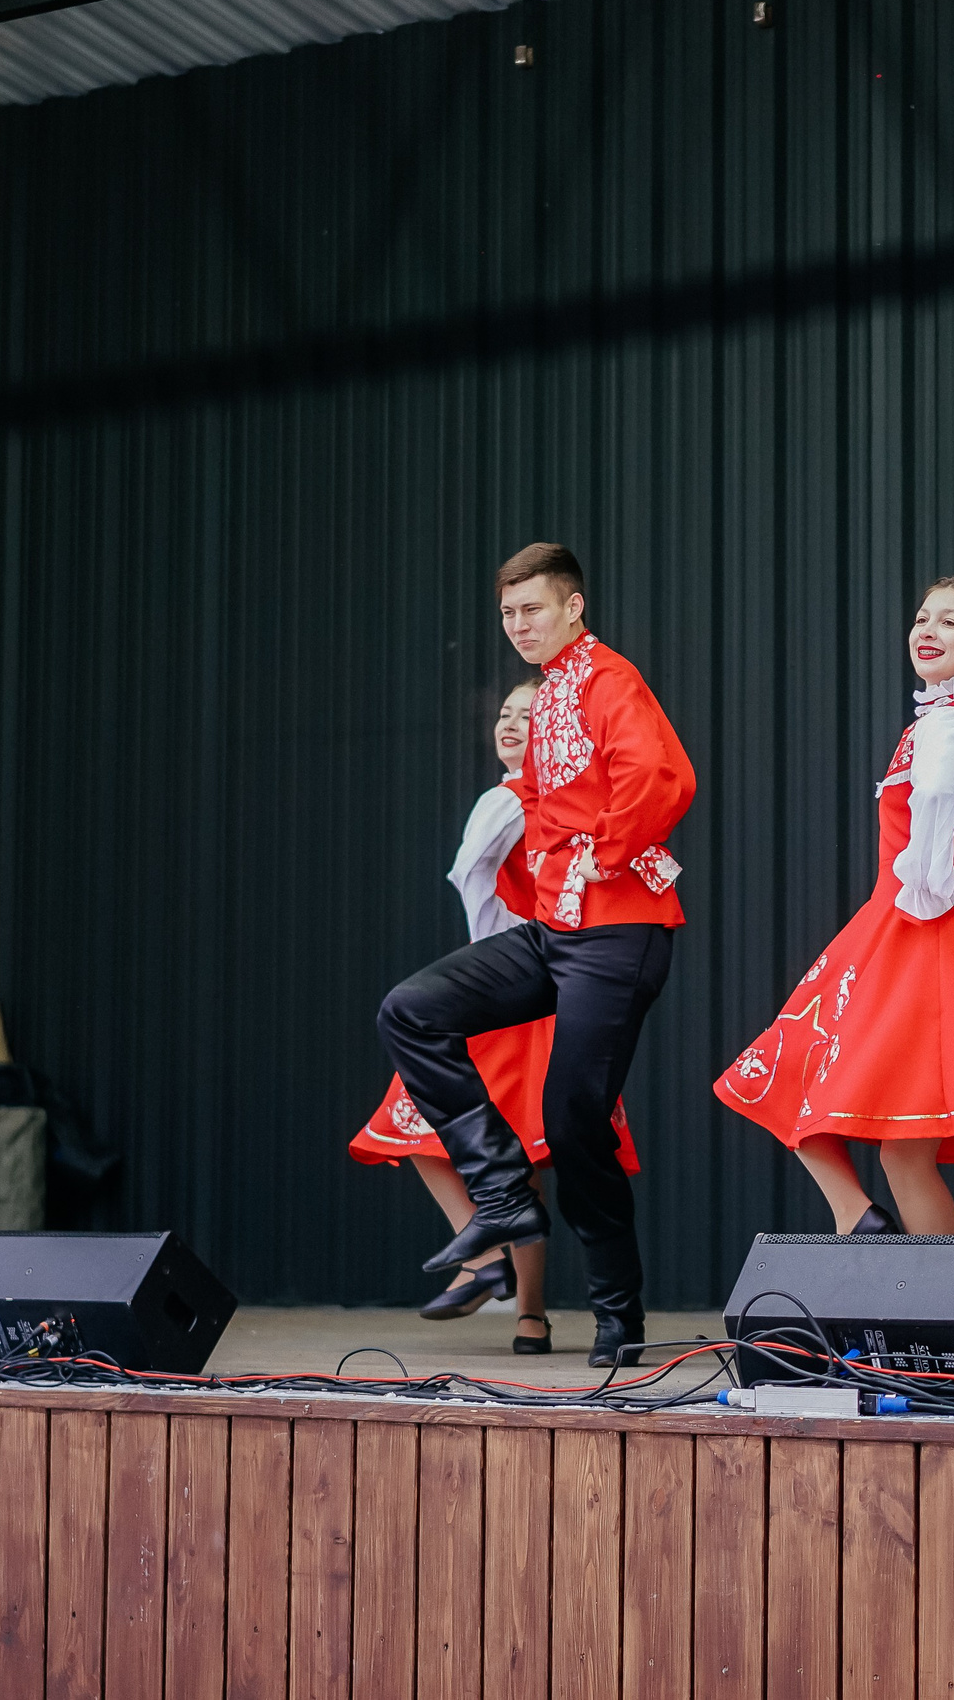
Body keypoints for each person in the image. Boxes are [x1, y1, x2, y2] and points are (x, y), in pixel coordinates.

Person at [376, 544, 695, 1367]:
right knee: (412, 1009)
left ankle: (618, 1312)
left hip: (620, 930)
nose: (520, 625)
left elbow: (665, 779)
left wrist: (607, 850)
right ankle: (503, 1192)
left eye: (535, 610)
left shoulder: (606, 680)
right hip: (557, 930)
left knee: (573, 1117)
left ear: (574, 607)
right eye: (510, 613)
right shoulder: (552, 691)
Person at [714, 576, 954, 1232]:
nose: (927, 629)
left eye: (950, 622)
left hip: (924, 924)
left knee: (868, 1122)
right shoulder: (940, 719)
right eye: (923, 617)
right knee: (832, 1102)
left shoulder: (951, 721)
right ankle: (863, 1224)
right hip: (904, 919)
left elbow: (936, 803)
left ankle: (903, 1270)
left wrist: (922, 890)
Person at [350, 679, 638, 1355]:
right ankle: (529, 1313)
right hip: (552, 986)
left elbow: (468, 882)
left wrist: (485, 972)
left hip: (509, 988)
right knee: (526, 1153)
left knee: (429, 1120)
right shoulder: (566, 803)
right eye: (505, 715)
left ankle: (493, 1264)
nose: (511, 724)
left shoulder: (509, 799)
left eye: (529, 716)